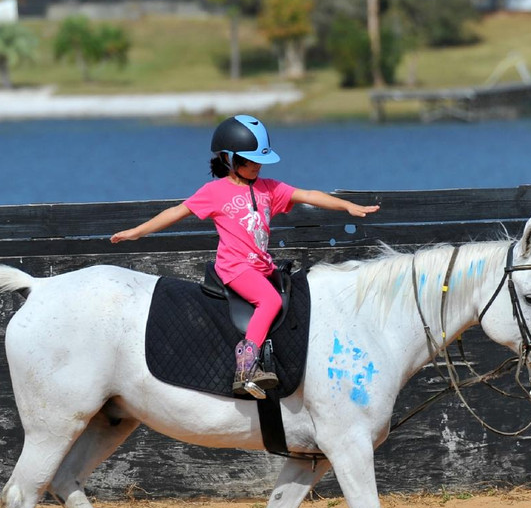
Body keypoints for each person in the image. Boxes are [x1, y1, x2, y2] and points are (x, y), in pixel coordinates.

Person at [110, 114, 379, 399]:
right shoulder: (214, 192)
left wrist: (346, 206)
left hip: (261, 267)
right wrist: (137, 232)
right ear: (229, 158)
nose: (257, 166)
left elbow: (308, 195)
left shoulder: (269, 188)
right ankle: (246, 366)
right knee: (270, 300)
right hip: (234, 267)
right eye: (251, 161)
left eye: (260, 160)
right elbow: (176, 212)